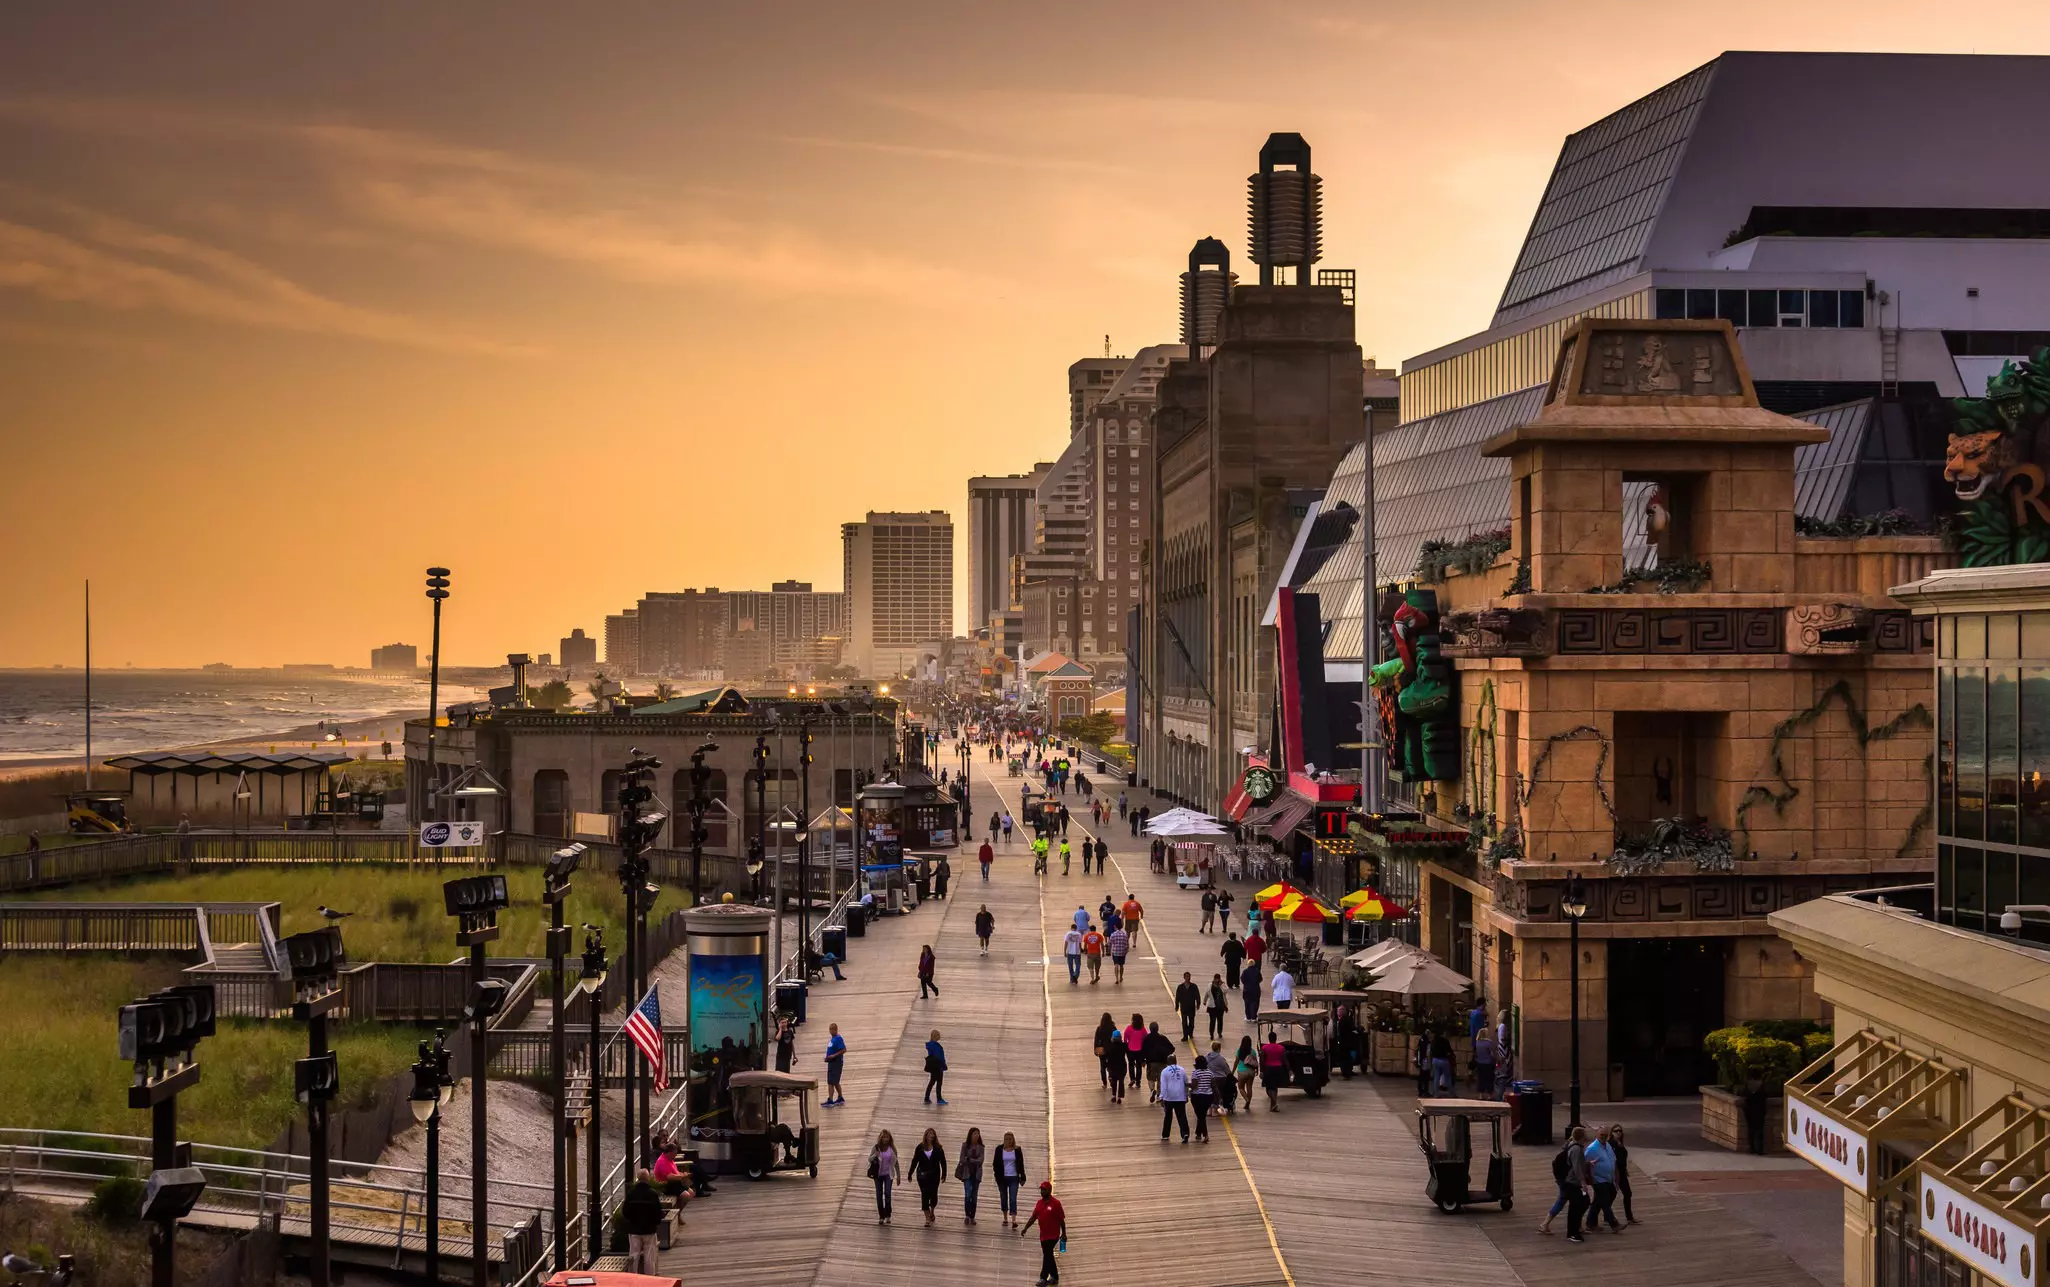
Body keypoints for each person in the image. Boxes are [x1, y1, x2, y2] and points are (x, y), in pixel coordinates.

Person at [1021, 1179, 1066, 1285]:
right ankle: (1054, 1276)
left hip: (1053, 1235)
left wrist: (1064, 1233)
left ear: (1049, 1191)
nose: (1042, 1192)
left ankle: (1043, 1278)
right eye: (1041, 1190)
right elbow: (1033, 1217)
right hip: (1043, 1235)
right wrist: (1025, 1228)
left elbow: (1061, 1220)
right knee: (1049, 1255)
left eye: (1044, 1190)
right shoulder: (1039, 1203)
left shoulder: (1056, 1203)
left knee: (1047, 1255)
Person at [622, 1168, 667, 1271]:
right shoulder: (653, 1194)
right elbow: (658, 1212)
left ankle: (633, 1277)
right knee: (650, 1256)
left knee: (633, 1254)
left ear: (637, 1178)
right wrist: (656, 1223)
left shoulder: (631, 1193)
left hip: (634, 1229)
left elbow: (625, 1211)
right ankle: (650, 1278)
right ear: (648, 1178)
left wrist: (631, 1222)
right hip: (649, 1230)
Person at [1538, 1128, 1581, 1237]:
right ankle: (1545, 1224)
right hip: (1567, 1180)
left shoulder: (1569, 1144)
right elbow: (1576, 1167)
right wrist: (1583, 1181)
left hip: (1562, 1178)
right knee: (1569, 1201)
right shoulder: (1575, 1148)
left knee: (1564, 1200)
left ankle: (1545, 1224)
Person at [1586, 1125, 1624, 1234]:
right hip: (1598, 1179)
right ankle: (1614, 1223)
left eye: (1605, 1135)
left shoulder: (1607, 1145)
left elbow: (1613, 1161)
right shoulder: (1592, 1148)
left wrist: (1616, 1179)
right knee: (1605, 1201)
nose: (1603, 1137)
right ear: (1597, 1135)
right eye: (1601, 1135)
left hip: (1608, 1178)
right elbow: (1585, 1164)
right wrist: (1589, 1179)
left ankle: (1591, 1223)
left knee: (1601, 1200)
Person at [909, 1127, 948, 1226]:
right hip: (922, 1176)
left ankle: (932, 1210)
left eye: (933, 1134)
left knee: (933, 1195)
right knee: (925, 1195)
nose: (931, 1136)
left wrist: (944, 1174)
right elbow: (915, 1161)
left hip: (934, 1175)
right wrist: (910, 1173)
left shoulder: (938, 1149)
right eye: (929, 1134)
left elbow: (943, 1162)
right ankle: (927, 1218)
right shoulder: (920, 1147)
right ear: (926, 1135)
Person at [994, 1132, 1027, 1229]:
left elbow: (1021, 1164)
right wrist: (996, 1176)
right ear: (1004, 1140)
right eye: (1006, 1139)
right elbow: (995, 1164)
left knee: (1013, 1198)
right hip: (1002, 1178)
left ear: (1013, 1139)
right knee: (1003, 1197)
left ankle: (1013, 1220)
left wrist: (1023, 1176)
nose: (1008, 1141)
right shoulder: (999, 1149)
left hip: (1014, 1177)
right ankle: (1005, 1218)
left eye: (1010, 1139)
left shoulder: (1017, 1150)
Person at [869, 1130, 901, 1224]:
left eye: (887, 1137)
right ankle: (881, 1216)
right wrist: (875, 1155)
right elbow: (869, 1159)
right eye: (883, 1137)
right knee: (879, 1196)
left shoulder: (892, 1149)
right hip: (878, 1175)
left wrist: (898, 1175)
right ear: (880, 1138)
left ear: (889, 1138)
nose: (885, 1139)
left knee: (887, 1194)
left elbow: (896, 1163)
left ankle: (888, 1214)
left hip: (888, 1174)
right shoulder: (876, 1147)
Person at [1157, 1052, 1191, 1142]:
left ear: (1167, 1062)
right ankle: (1185, 1133)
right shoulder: (1182, 1070)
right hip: (1180, 1097)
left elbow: (1163, 1086)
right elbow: (1186, 1083)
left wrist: (1161, 1097)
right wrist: (1186, 1095)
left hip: (1169, 1098)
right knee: (1182, 1116)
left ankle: (1165, 1135)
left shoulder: (1164, 1071)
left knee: (1168, 1116)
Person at [957, 1127, 985, 1224]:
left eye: (978, 1133)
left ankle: (972, 1216)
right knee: (968, 1193)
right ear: (970, 1135)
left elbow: (980, 1161)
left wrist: (969, 1159)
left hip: (977, 1174)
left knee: (974, 1195)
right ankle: (967, 1215)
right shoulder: (965, 1146)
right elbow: (962, 1159)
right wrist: (973, 1160)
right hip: (967, 1173)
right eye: (975, 1133)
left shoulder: (981, 1147)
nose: (977, 1135)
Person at [1189, 1045, 1216, 1142]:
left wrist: (1185, 1084)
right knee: (1202, 1115)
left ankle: (1206, 1135)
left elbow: (1194, 1085)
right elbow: (1213, 1085)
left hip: (1197, 1096)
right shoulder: (1210, 1073)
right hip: (1208, 1096)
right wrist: (1218, 1097)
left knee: (1200, 1116)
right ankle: (1198, 1133)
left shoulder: (1196, 1073)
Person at [1611, 1124, 1638, 1224]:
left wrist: (1625, 1169)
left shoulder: (1620, 1143)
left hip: (1622, 1172)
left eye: (1620, 1131)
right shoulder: (1611, 1144)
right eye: (1616, 1131)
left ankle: (1629, 1217)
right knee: (1612, 1195)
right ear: (1612, 1133)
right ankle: (1607, 1216)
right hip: (1615, 1173)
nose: (1618, 1133)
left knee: (1627, 1193)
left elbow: (1622, 1158)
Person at [1141, 1022, 1174, 1100]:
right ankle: (1159, 1095)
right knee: (1161, 1079)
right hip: (1162, 1062)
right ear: (1157, 1028)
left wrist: (1143, 1060)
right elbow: (1172, 1048)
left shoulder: (1146, 1038)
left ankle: (1152, 1090)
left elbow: (1142, 1050)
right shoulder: (1163, 1038)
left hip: (1151, 1062)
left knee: (1150, 1078)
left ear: (1150, 1028)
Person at [1259, 1029, 1290, 1110]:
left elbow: (1262, 1060)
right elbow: (1285, 1060)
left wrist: (1261, 1071)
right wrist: (1289, 1070)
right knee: (1275, 1087)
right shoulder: (1281, 1048)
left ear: (1269, 1039)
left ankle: (1274, 1102)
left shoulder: (1264, 1048)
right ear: (1276, 1039)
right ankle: (1272, 1106)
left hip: (1268, 1068)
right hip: (1278, 1069)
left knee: (1269, 1087)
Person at [1092, 1013, 1121, 1091]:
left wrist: (1095, 1049)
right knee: (1111, 1066)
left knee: (1102, 1067)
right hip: (1111, 1050)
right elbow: (1117, 1038)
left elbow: (1096, 1040)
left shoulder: (1099, 1028)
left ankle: (1104, 1083)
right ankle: (1111, 1078)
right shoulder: (1113, 1028)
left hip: (1102, 1050)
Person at [1174, 971, 1201, 1043]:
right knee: (1184, 1023)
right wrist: (1177, 1005)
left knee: (1191, 1023)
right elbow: (1177, 997)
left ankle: (1190, 1033)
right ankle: (1185, 1036)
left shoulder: (1194, 986)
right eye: (1186, 977)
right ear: (1184, 977)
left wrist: (1198, 1003)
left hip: (1191, 1008)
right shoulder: (1180, 987)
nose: (1187, 978)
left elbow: (1197, 995)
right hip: (1184, 1008)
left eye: (1189, 977)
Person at [923, 1029, 949, 1105]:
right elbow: (939, 1057)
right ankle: (939, 1099)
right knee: (939, 1083)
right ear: (936, 1036)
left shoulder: (930, 1045)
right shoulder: (936, 1046)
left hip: (933, 1066)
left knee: (931, 1082)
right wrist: (943, 1065)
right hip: (938, 1066)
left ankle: (926, 1097)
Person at [1472, 1027, 1499, 1098]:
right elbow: (1492, 1053)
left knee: (1481, 1079)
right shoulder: (1488, 1043)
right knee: (1489, 1079)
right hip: (1488, 1063)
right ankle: (1489, 1095)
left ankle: (1481, 1094)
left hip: (1479, 1063)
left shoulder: (1477, 1043)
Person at [823, 1023, 846, 1106]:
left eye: (833, 1030)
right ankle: (840, 1097)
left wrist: (834, 1055)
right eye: (830, 1029)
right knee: (835, 1081)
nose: (831, 1031)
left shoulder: (838, 1038)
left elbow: (843, 1049)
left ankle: (830, 1099)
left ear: (836, 1030)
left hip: (836, 1062)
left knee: (831, 1082)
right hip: (831, 1062)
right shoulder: (832, 1039)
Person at [1123, 1014, 1147, 1091]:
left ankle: (1132, 1078)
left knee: (1131, 1065)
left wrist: (1127, 1044)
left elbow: (1125, 1039)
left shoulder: (1129, 1028)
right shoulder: (1142, 1029)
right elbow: (1145, 1038)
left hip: (1130, 1049)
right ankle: (1138, 1082)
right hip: (1139, 1050)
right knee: (1139, 1066)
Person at [1234, 1035, 1258, 1110]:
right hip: (1251, 1072)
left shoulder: (1239, 1050)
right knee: (1249, 1088)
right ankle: (1248, 1104)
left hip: (1242, 1071)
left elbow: (1236, 1062)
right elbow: (1255, 1062)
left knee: (1241, 1087)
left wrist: (1232, 1071)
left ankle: (1246, 1099)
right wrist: (1257, 1070)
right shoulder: (1253, 1051)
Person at [1429, 1029, 1454, 1096]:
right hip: (1444, 1060)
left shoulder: (1434, 1041)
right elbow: (1450, 1051)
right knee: (1447, 1077)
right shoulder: (1445, 1041)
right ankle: (1451, 1093)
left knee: (1436, 1077)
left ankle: (1436, 1094)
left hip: (1435, 1060)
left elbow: (1431, 1051)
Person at [1206, 974, 1229, 1041]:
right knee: (1212, 1021)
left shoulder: (1222, 985)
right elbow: (1207, 993)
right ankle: (1211, 1034)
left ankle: (1219, 1032)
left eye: (1218, 979)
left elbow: (1226, 991)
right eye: (1216, 978)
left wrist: (1221, 985)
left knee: (1220, 1020)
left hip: (1220, 1006)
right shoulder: (1210, 985)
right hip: (1212, 1007)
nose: (1217, 980)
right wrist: (1205, 1001)